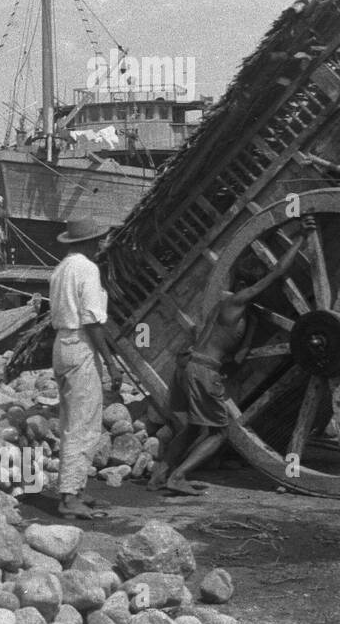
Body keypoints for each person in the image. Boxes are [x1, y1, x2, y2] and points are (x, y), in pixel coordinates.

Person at [148, 221, 311, 495]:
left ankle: (157, 478)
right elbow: (278, 272)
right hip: (204, 371)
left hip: (187, 366)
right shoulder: (238, 301)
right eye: (255, 287)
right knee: (219, 432)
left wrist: (253, 328)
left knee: (188, 428)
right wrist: (302, 237)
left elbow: (238, 355)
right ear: (246, 284)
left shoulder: (224, 308)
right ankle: (179, 476)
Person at [49, 217, 120, 519]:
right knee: (84, 423)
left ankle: (76, 488)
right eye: (100, 239)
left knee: (70, 420)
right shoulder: (87, 269)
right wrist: (111, 362)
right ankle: (68, 498)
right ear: (88, 242)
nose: (103, 245)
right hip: (80, 345)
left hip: (61, 345)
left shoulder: (60, 269)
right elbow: (92, 319)